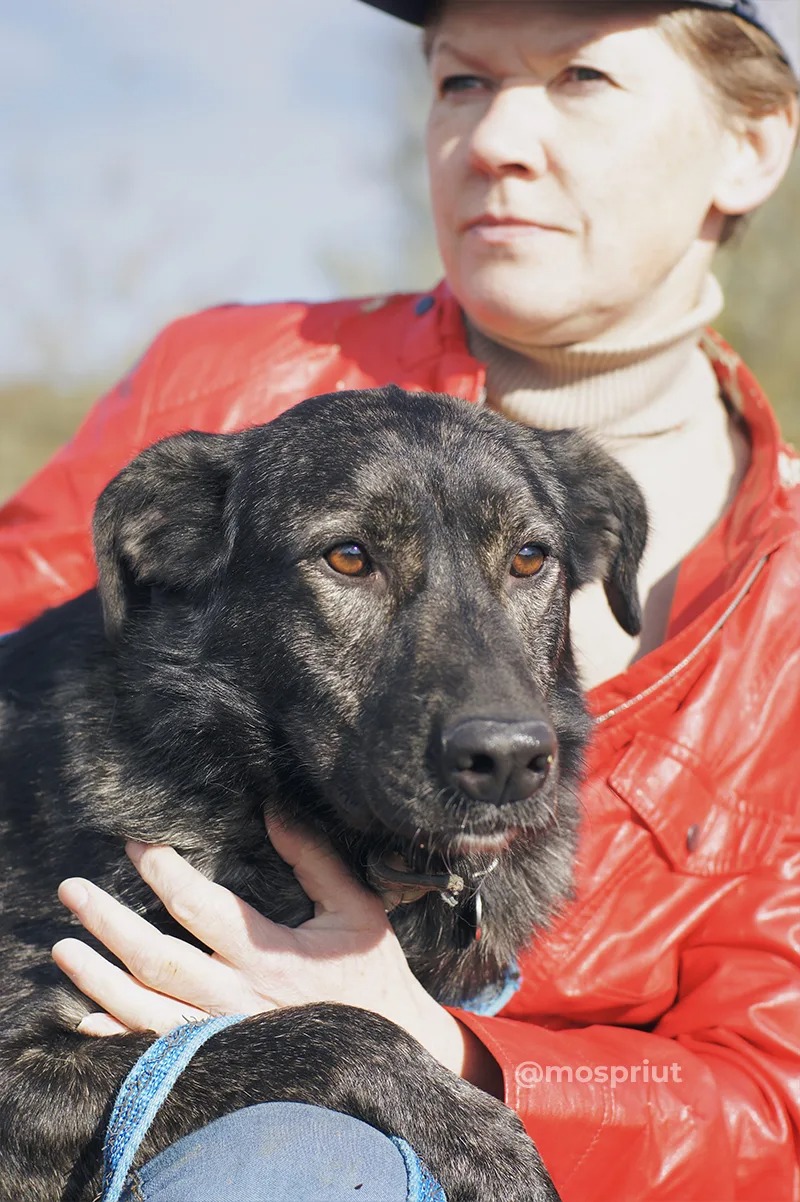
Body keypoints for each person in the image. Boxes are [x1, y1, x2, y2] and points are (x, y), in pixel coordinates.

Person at [2, 1, 799, 1198]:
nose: (494, 141)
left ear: (750, 145)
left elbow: (770, 1099)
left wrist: (443, 1048)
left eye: (579, 77)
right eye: (459, 83)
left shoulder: (781, 613)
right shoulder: (221, 382)